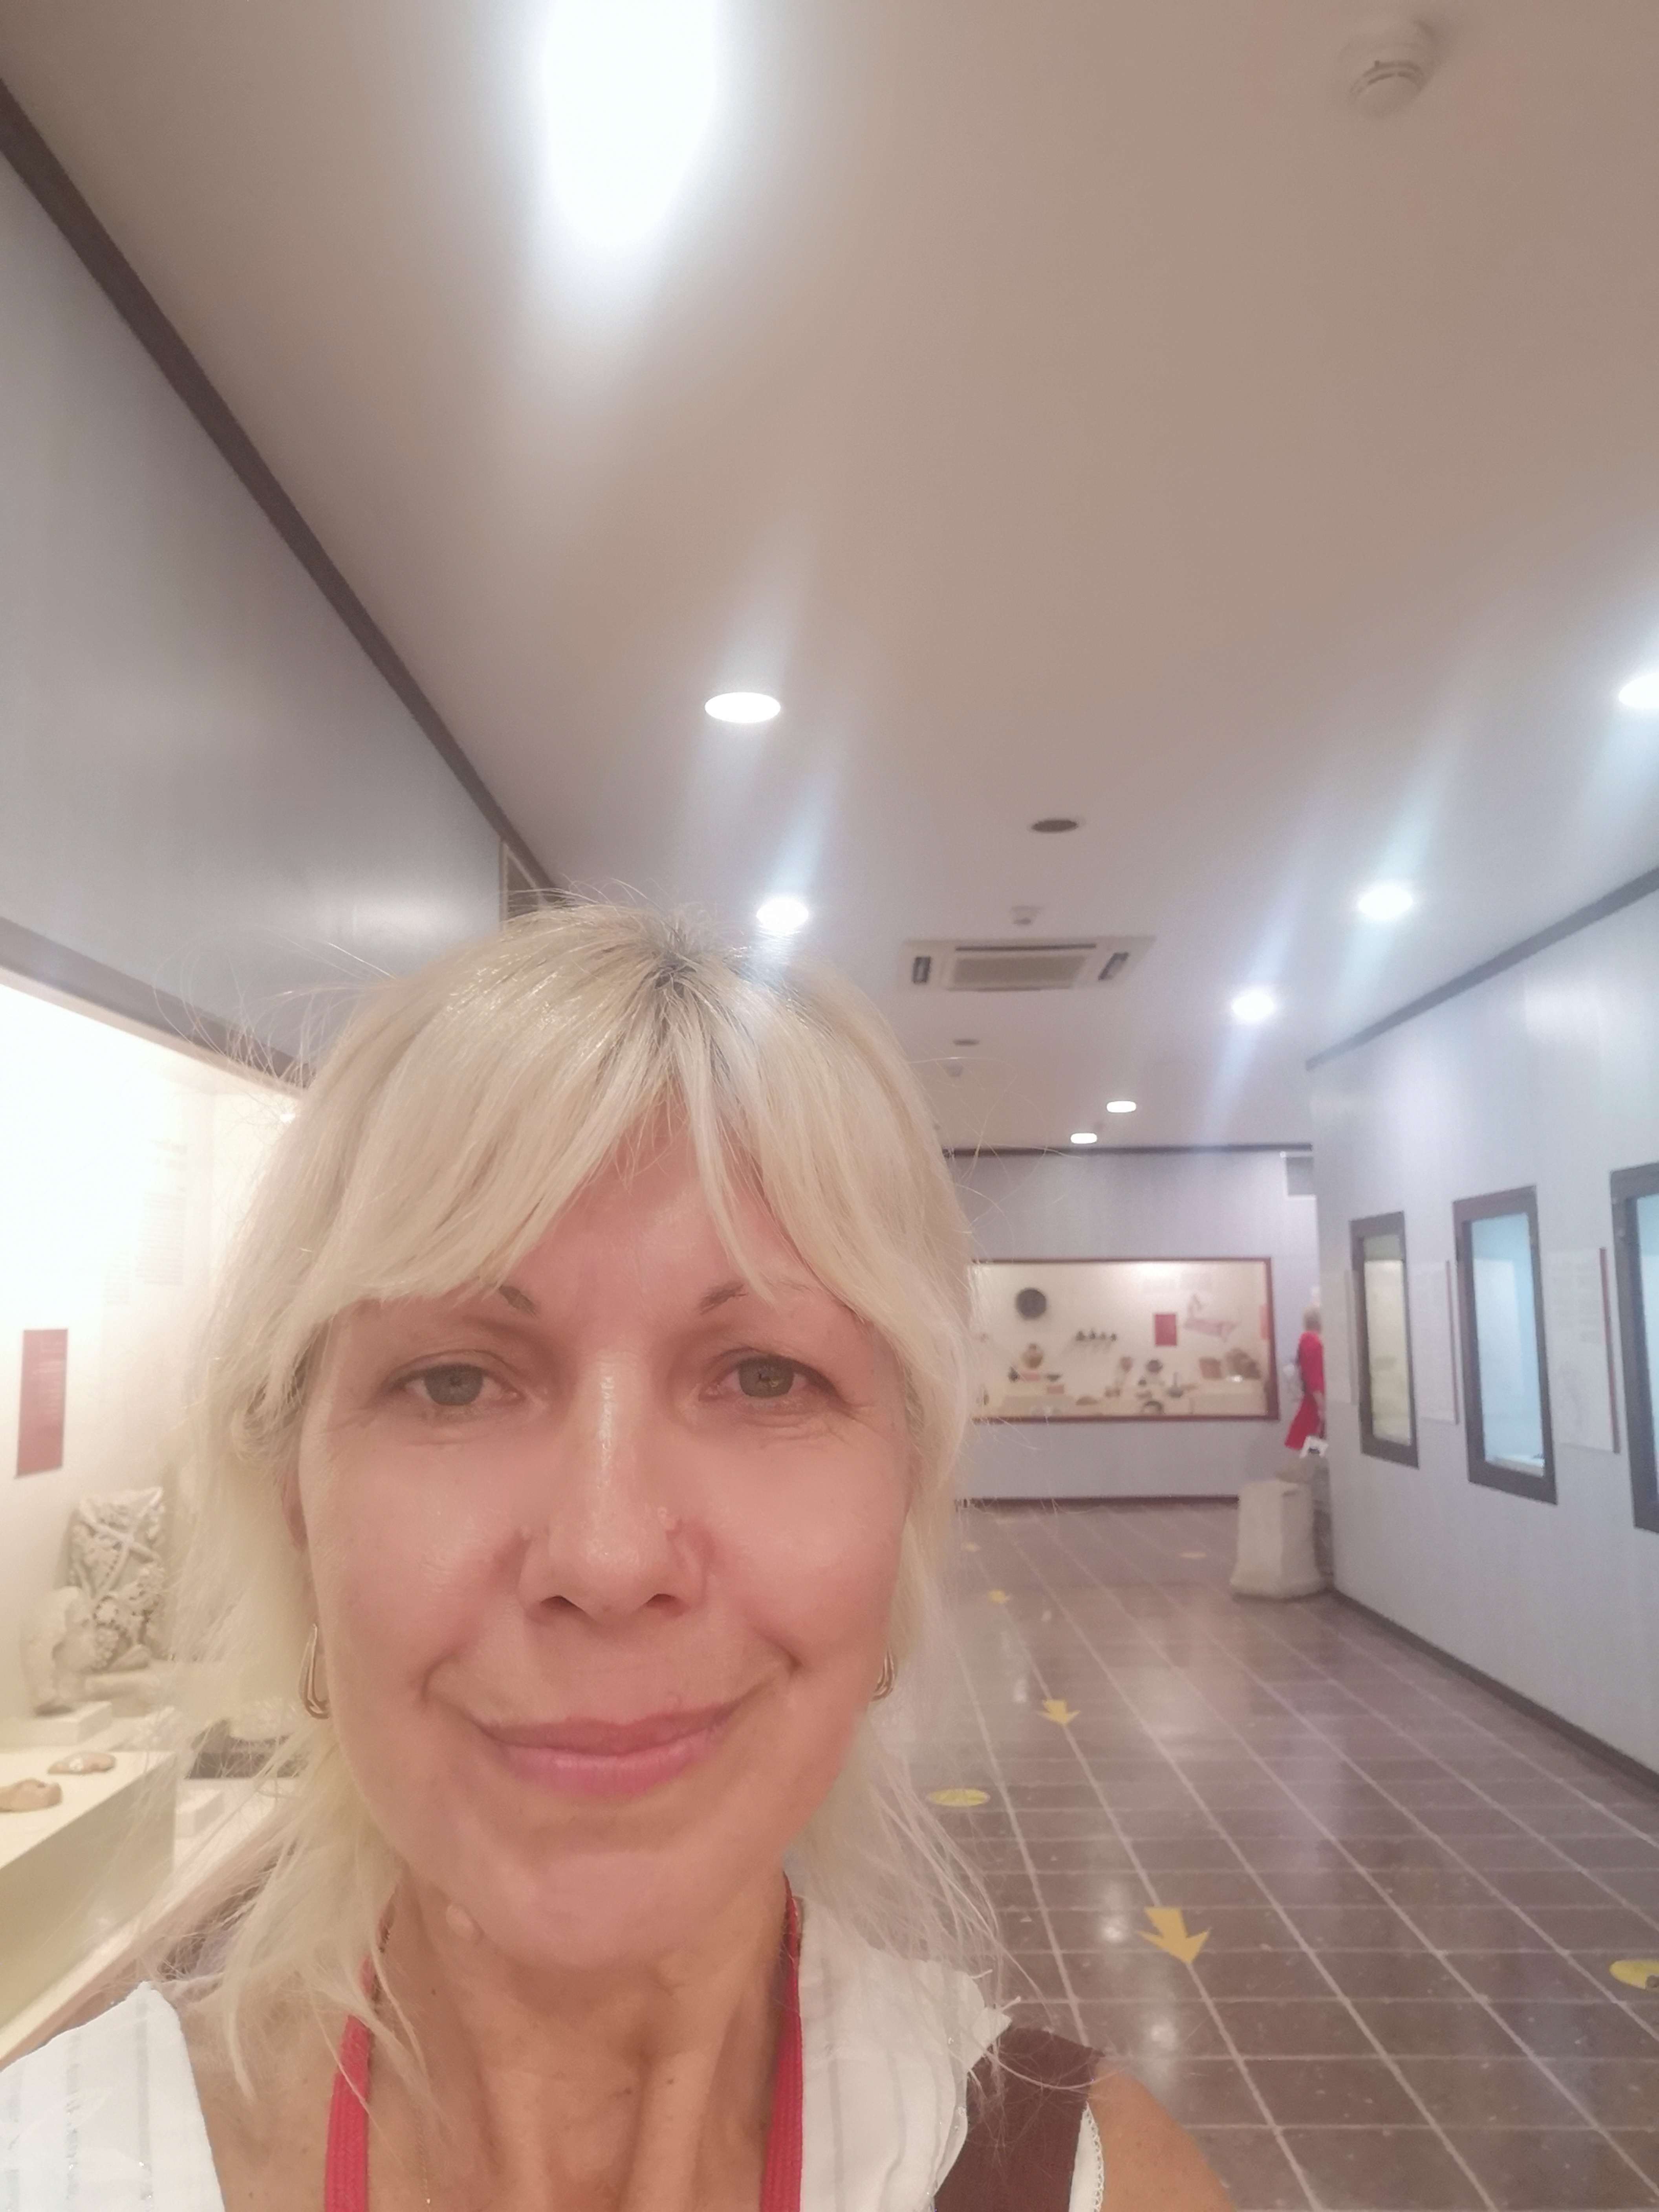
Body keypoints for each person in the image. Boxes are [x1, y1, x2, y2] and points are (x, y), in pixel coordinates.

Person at [1, 906, 1227, 2211]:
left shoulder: (1093, 2182)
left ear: (903, 1501)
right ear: (295, 1503)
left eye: (765, 1377)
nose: (604, 1554)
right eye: (455, 1380)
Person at [1284, 1301, 1325, 1451]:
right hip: (1315, 1406)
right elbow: (1314, 1378)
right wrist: (1322, 1407)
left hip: (1314, 1403)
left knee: (1315, 1452)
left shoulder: (1307, 1340)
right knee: (1315, 1453)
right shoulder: (1312, 1342)